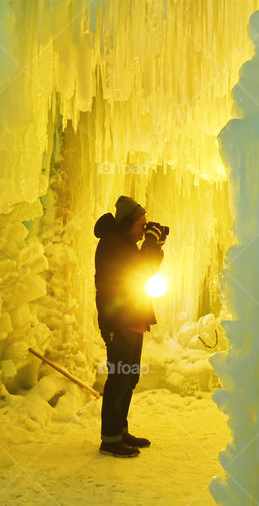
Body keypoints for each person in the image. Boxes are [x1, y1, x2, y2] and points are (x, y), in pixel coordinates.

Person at [93, 195, 167, 457]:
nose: (144, 230)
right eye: (142, 225)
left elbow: (145, 271)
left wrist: (154, 244)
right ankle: (110, 439)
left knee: (129, 377)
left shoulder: (123, 242)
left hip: (132, 320)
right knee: (119, 378)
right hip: (119, 323)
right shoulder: (114, 244)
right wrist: (151, 244)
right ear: (128, 223)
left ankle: (120, 430)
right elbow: (140, 270)